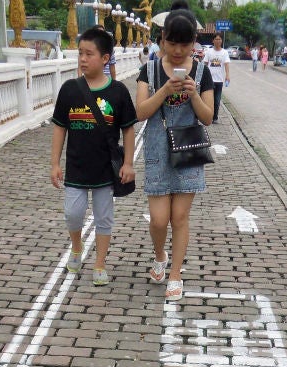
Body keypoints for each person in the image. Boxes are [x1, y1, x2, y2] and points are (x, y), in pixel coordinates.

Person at [136, 1, 214, 302]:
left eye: (185, 44)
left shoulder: (203, 72)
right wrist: (164, 91)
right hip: (157, 150)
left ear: (193, 43)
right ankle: (160, 256)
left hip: (189, 150)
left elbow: (207, 117)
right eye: (172, 43)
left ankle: (176, 274)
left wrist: (193, 94)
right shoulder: (151, 70)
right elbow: (140, 112)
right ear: (162, 40)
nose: (178, 50)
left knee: (179, 217)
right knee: (158, 220)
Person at [51, 26, 136, 286]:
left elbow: (128, 128)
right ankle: (76, 247)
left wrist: (129, 163)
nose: (83, 59)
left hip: (104, 170)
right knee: (72, 214)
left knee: (104, 217)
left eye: (89, 54)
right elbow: (59, 127)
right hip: (76, 167)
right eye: (80, 53)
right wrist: (54, 163)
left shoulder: (118, 92)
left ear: (105, 58)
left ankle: (99, 263)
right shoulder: (69, 90)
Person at [204, 33, 230, 123]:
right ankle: (208, 116)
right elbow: (205, 64)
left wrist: (227, 75)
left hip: (219, 80)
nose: (218, 41)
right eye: (216, 39)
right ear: (213, 40)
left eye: (219, 39)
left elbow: (226, 64)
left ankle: (215, 117)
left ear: (221, 41)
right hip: (209, 80)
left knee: (217, 100)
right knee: (208, 99)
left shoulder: (224, 52)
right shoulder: (209, 52)